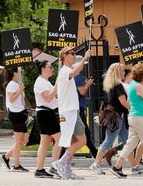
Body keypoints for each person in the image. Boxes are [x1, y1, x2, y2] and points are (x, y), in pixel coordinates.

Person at [51, 46, 90, 180]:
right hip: (69, 112)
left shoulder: (65, 71)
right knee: (82, 140)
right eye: (72, 53)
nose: (74, 55)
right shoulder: (65, 70)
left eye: (75, 54)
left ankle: (67, 170)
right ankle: (60, 163)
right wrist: (84, 58)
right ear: (64, 56)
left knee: (73, 141)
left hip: (70, 111)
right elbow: (74, 73)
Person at [90, 63, 129, 175]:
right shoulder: (118, 85)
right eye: (122, 70)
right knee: (108, 142)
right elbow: (123, 103)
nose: (124, 72)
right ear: (117, 72)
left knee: (128, 142)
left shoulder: (111, 85)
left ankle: (129, 165)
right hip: (116, 117)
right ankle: (96, 164)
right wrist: (135, 109)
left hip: (115, 117)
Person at [33, 59, 61, 178]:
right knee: (59, 138)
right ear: (43, 69)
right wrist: (56, 85)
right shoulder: (40, 82)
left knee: (44, 142)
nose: (52, 69)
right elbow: (48, 98)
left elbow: (53, 97)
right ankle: (54, 166)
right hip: (45, 113)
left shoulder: (45, 82)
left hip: (46, 112)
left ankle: (39, 169)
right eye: (50, 67)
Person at [1, 66, 29, 172]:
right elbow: (12, 100)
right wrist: (20, 90)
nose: (21, 73)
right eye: (20, 71)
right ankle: (16, 165)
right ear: (14, 73)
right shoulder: (12, 85)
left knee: (24, 140)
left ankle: (7, 156)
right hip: (15, 114)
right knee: (19, 141)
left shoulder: (16, 84)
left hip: (20, 113)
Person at [74, 66, 97, 158]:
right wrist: (88, 84)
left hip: (76, 107)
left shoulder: (76, 76)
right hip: (78, 107)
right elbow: (82, 91)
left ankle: (95, 152)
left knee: (82, 132)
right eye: (82, 64)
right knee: (85, 131)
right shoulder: (77, 76)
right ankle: (95, 152)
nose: (83, 66)